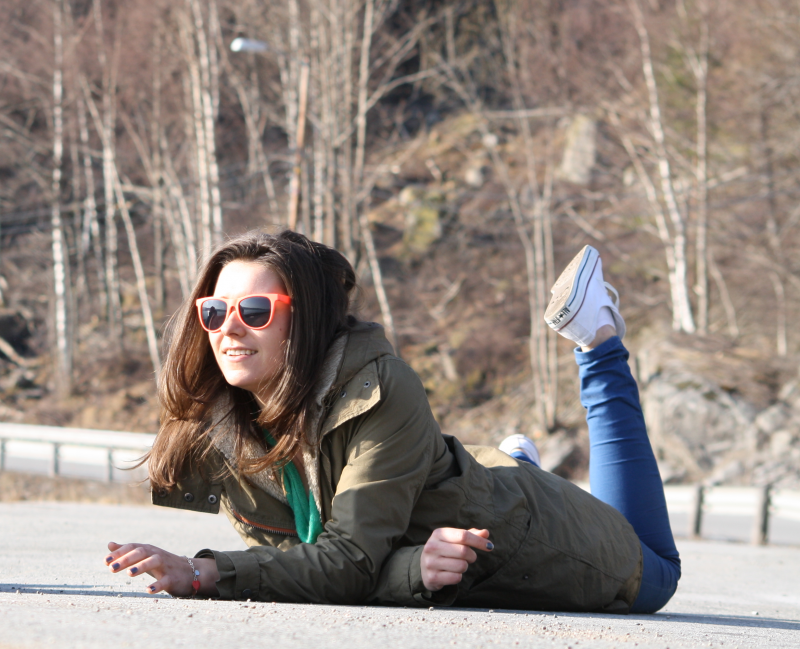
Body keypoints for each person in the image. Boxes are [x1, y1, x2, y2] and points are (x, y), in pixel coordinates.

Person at [104, 231, 679, 613]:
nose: (228, 328)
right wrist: (411, 569)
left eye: (254, 311)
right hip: (461, 496)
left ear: (305, 322)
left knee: (659, 568)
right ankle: (515, 466)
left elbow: (347, 566)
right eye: (214, 311)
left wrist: (200, 573)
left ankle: (597, 342)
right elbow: (301, 567)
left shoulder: (379, 389)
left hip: (551, 540)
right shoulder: (225, 420)